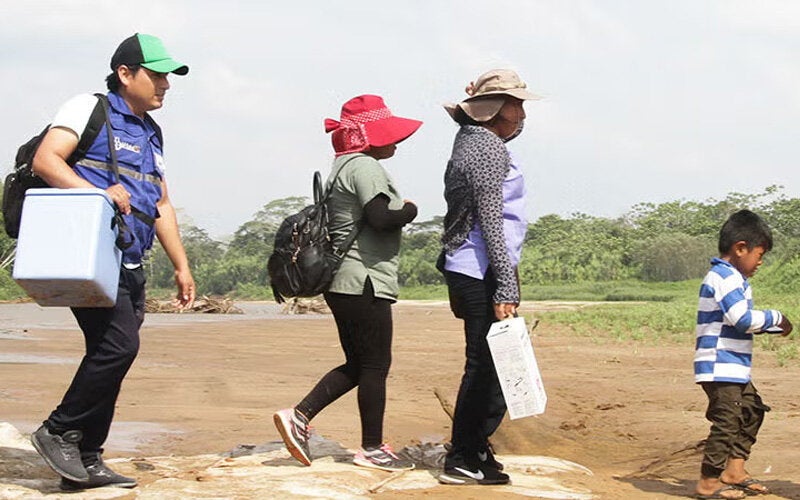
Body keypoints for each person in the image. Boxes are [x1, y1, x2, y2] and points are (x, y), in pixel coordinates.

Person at [29, 33, 195, 491]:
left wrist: (181, 265)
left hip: (130, 256)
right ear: (125, 74)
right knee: (118, 347)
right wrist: (97, 194)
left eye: (167, 76)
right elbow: (47, 161)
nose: (165, 84)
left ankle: (85, 458)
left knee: (111, 353)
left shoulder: (150, 131)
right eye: (156, 74)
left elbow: (160, 202)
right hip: (90, 255)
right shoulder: (89, 108)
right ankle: (60, 430)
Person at [273, 95, 421, 472]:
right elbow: (380, 218)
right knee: (375, 365)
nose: (397, 142)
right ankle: (372, 448)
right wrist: (410, 210)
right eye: (389, 134)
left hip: (341, 281)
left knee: (360, 363)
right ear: (370, 136)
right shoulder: (365, 167)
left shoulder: (341, 165)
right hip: (364, 279)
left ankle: (299, 416)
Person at [436, 69, 539, 486]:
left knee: (492, 364)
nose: (522, 114)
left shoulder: (475, 140)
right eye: (517, 105)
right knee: (484, 366)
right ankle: (462, 455)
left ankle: (476, 448)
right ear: (495, 108)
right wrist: (506, 286)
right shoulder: (486, 148)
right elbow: (491, 222)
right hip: (478, 269)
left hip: (477, 267)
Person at [693, 210, 793, 500]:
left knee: (751, 411)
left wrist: (771, 328)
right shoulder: (724, 277)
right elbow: (742, 319)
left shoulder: (731, 278)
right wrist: (777, 316)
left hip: (732, 366)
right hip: (719, 365)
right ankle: (708, 482)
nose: (760, 263)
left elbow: (739, 323)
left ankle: (734, 470)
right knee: (727, 421)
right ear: (740, 248)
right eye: (759, 255)